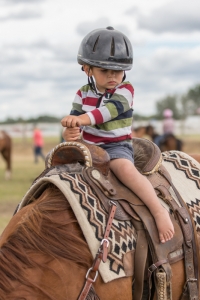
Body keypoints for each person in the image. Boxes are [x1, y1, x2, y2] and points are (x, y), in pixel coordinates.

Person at [61, 26, 174, 243]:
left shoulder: (125, 91)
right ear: (87, 69)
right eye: (105, 71)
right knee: (56, 163)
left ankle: (159, 212)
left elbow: (107, 112)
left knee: (124, 170)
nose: (113, 76)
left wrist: (81, 120)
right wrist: (71, 131)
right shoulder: (81, 93)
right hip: (88, 146)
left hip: (116, 146)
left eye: (118, 71)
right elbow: (76, 118)